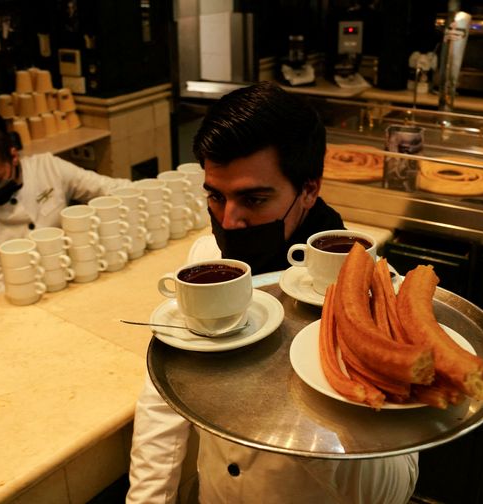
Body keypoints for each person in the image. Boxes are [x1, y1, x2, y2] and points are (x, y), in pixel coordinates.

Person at [126, 82, 418, 503]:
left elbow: (397, 485)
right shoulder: (207, 258)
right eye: (215, 196)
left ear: (309, 190)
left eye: (254, 199)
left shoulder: (376, 292)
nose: (230, 221)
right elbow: (165, 397)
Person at [0, 107, 132, 300]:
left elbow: (109, 189)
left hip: (72, 283)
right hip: (19, 300)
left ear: (13, 156)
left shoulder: (48, 167)